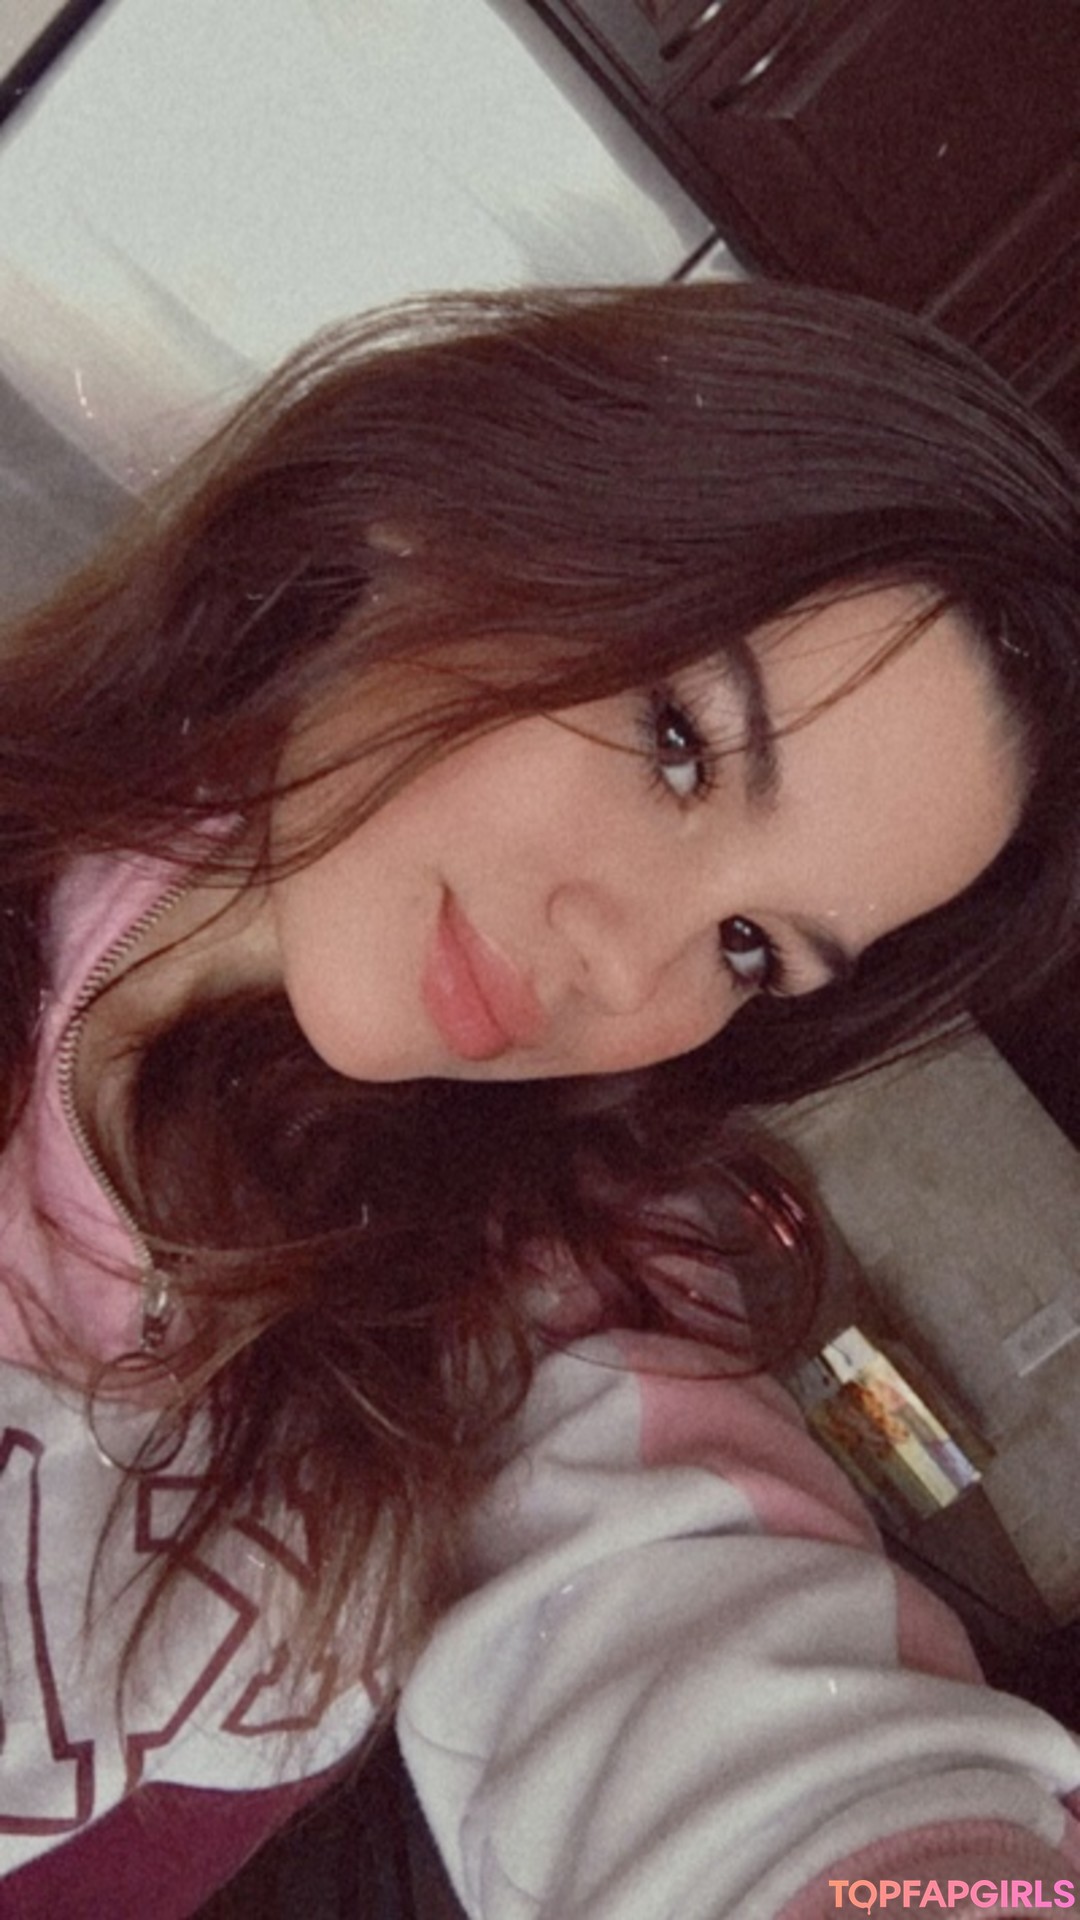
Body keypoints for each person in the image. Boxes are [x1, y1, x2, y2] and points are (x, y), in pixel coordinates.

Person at [0, 280, 1078, 1918]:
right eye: (678, 743)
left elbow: (753, 1731)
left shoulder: (543, 1301)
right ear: (438, 514)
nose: (625, 963)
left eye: (749, 946)